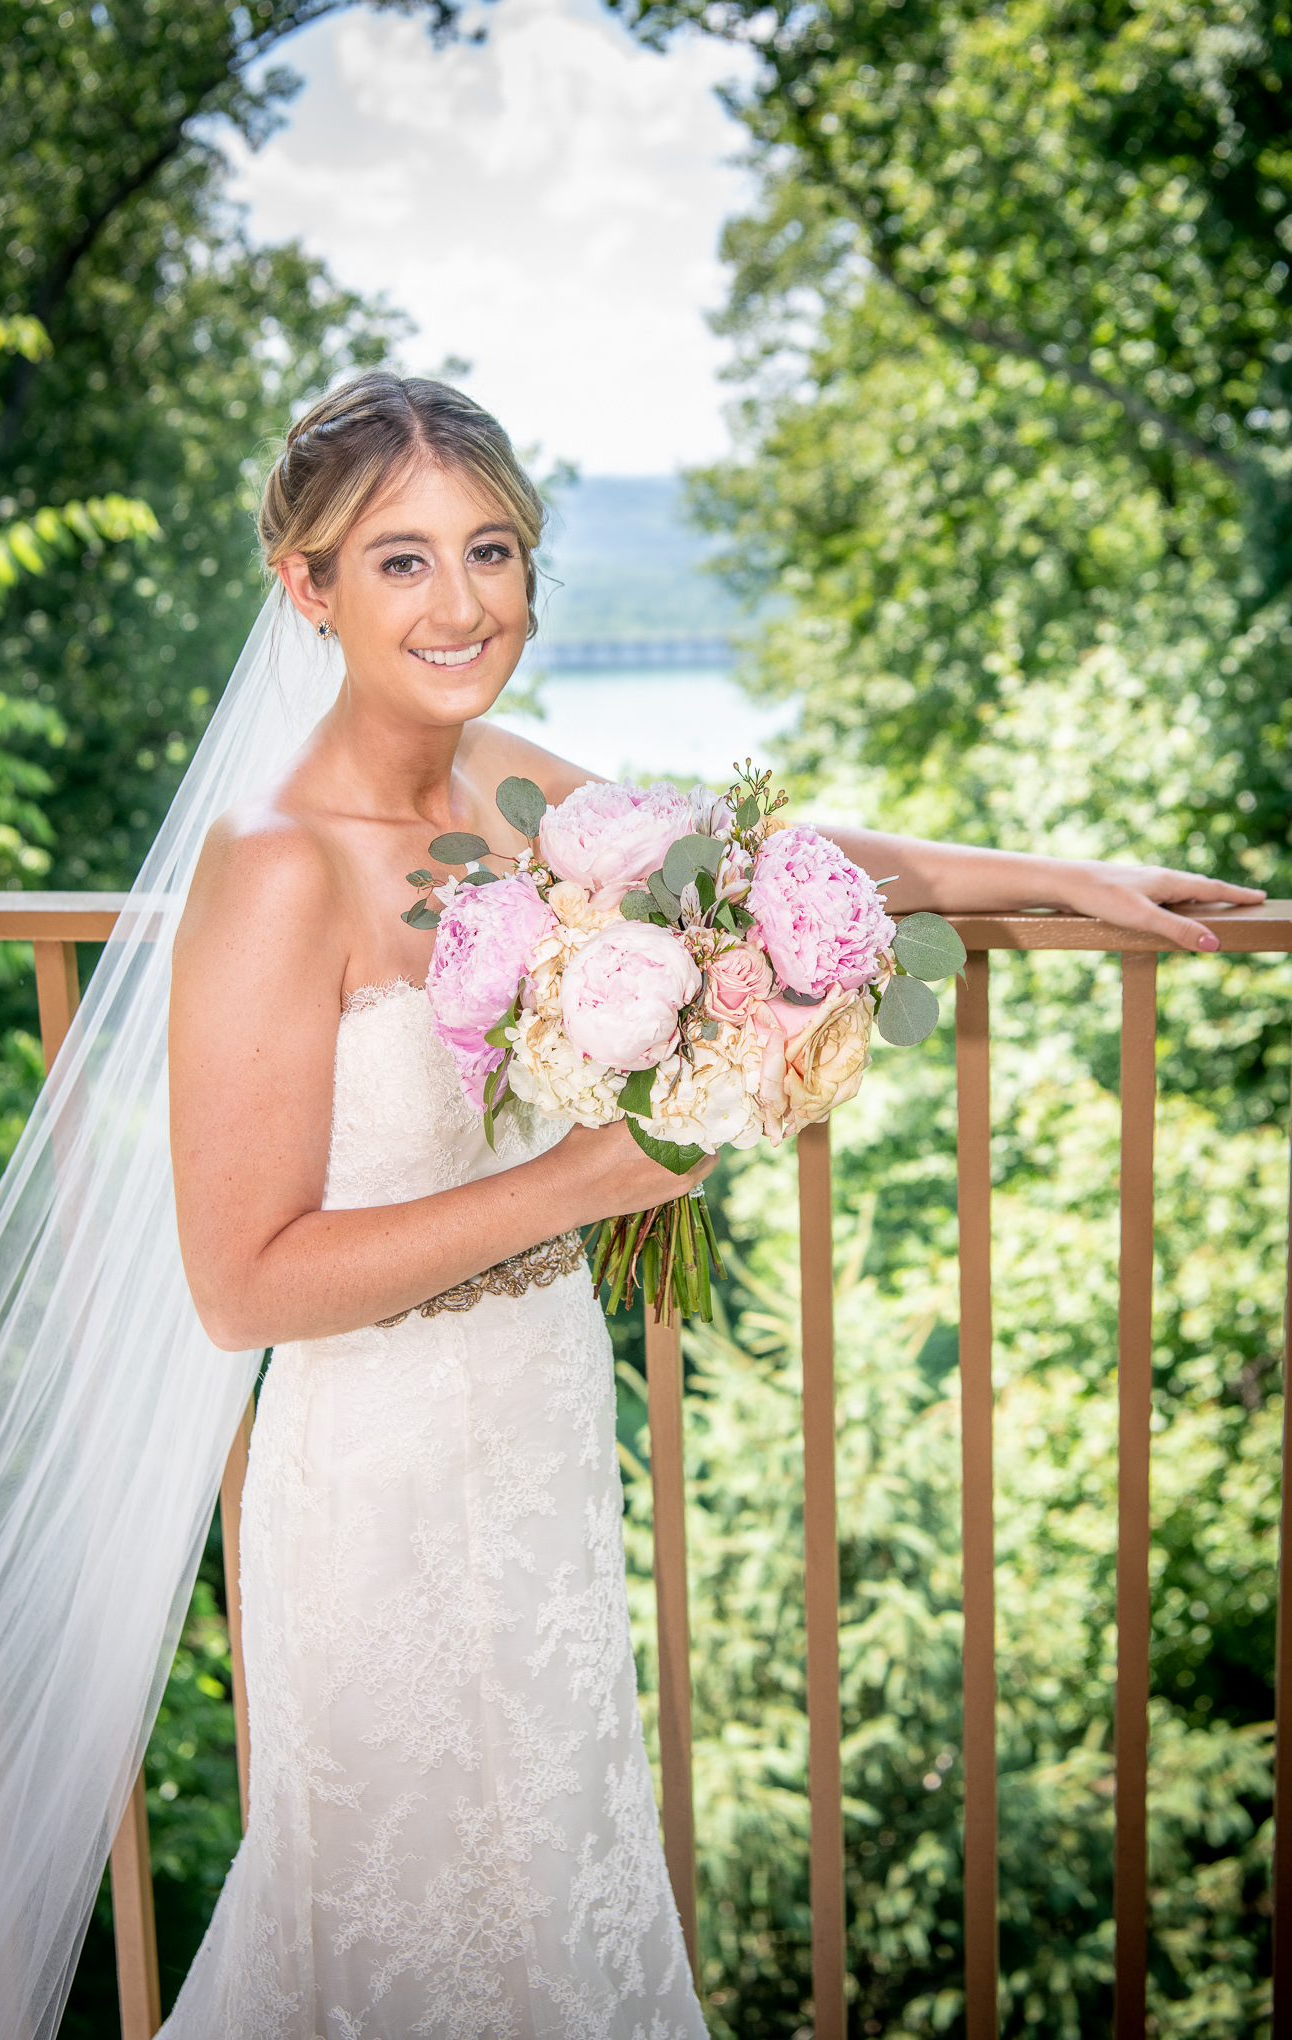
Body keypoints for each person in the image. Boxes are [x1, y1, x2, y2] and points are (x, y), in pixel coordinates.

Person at [156, 369, 1263, 2036]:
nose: (462, 605)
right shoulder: (275, 863)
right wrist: (581, 1183)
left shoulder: (498, 788)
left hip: (532, 1425)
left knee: (556, 1878)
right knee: (411, 1908)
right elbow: (244, 1286)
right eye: (399, 562)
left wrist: (1055, 877)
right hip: (378, 1484)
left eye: (493, 550)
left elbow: (773, 869)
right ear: (305, 587)